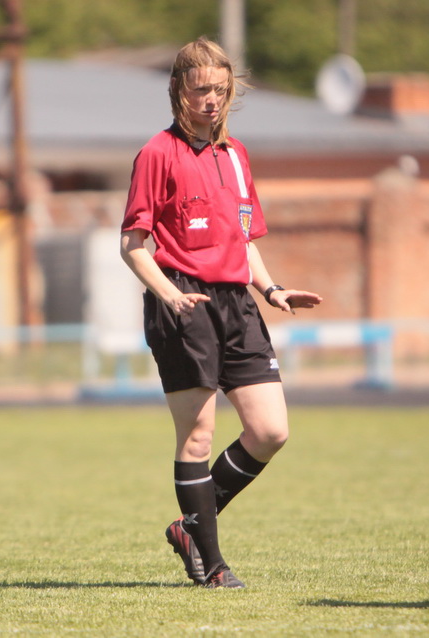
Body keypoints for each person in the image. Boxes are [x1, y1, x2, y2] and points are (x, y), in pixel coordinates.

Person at [120, 37, 322, 589]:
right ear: (178, 90)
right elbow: (133, 245)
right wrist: (169, 294)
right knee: (199, 435)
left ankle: (189, 527)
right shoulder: (157, 153)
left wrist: (271, 289)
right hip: (183, 301)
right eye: (200, 89)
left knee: (270, 430)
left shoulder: (236, 155)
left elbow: (243, 238)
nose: (210, 100)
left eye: (219, 89)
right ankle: (211, 565)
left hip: (237, 303)